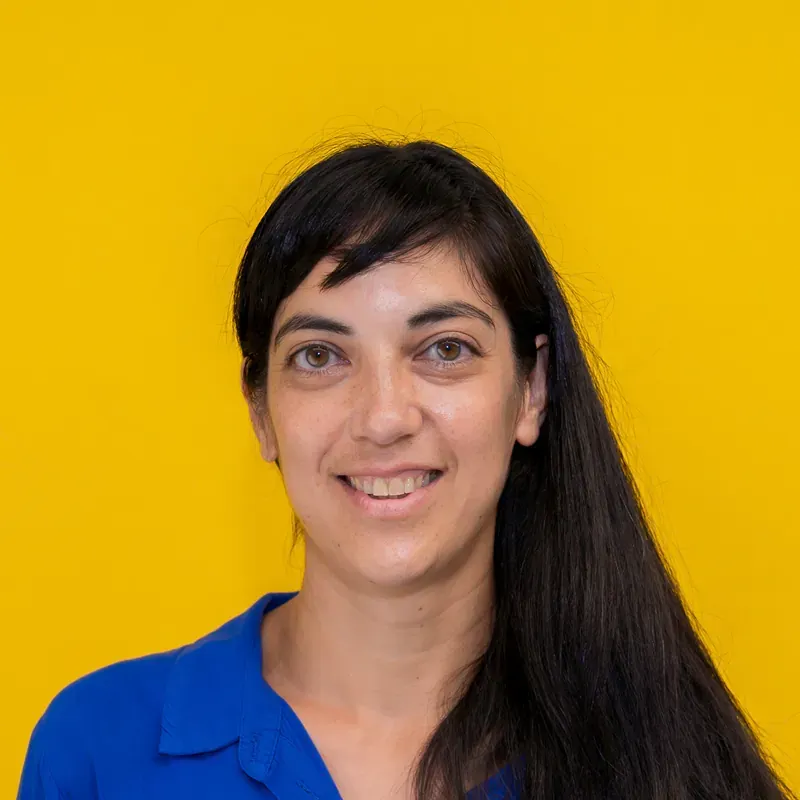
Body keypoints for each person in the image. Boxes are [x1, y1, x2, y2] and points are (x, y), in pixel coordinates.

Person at [17, 139, 795, 800]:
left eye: (444, 349)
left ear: (532, 391)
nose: (385, 416)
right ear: (261, 411)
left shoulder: (671, 765)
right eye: (320, 357)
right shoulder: (97, 751)